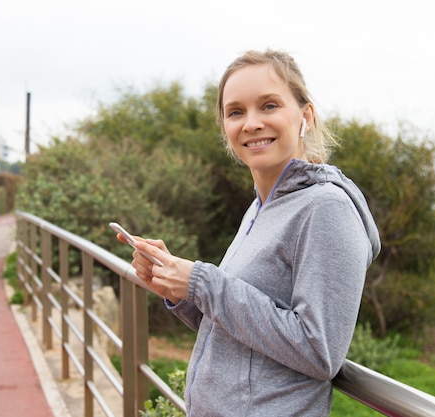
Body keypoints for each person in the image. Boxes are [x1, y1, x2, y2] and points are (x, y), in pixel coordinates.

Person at [117, 49, 381, 417]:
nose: (251, 123)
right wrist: (180, 291)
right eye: (236, 112)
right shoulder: (259, 207)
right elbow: (242, 334)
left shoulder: (326, 209)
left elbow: (320, 351)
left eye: (269, 105)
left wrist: (203, 282)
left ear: (305, 116)